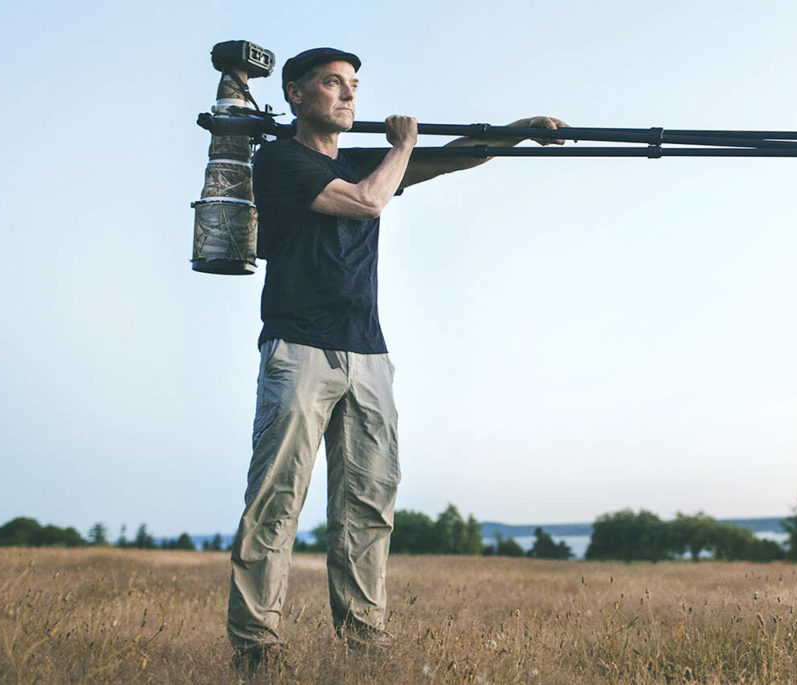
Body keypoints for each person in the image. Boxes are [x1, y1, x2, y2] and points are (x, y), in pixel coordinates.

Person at [225, 46, 566, 672]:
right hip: (299, 348)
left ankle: (362, 638)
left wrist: (517, 132)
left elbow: (453, 157)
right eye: (332, 84)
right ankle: (257, 648)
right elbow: (364, 202)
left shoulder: (362, 160)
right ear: (296, 95)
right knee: (277, 502)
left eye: (353, 84)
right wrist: (400, 148)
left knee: (367, 504)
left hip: (369, 354)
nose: (349, 94)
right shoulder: (279, 159)